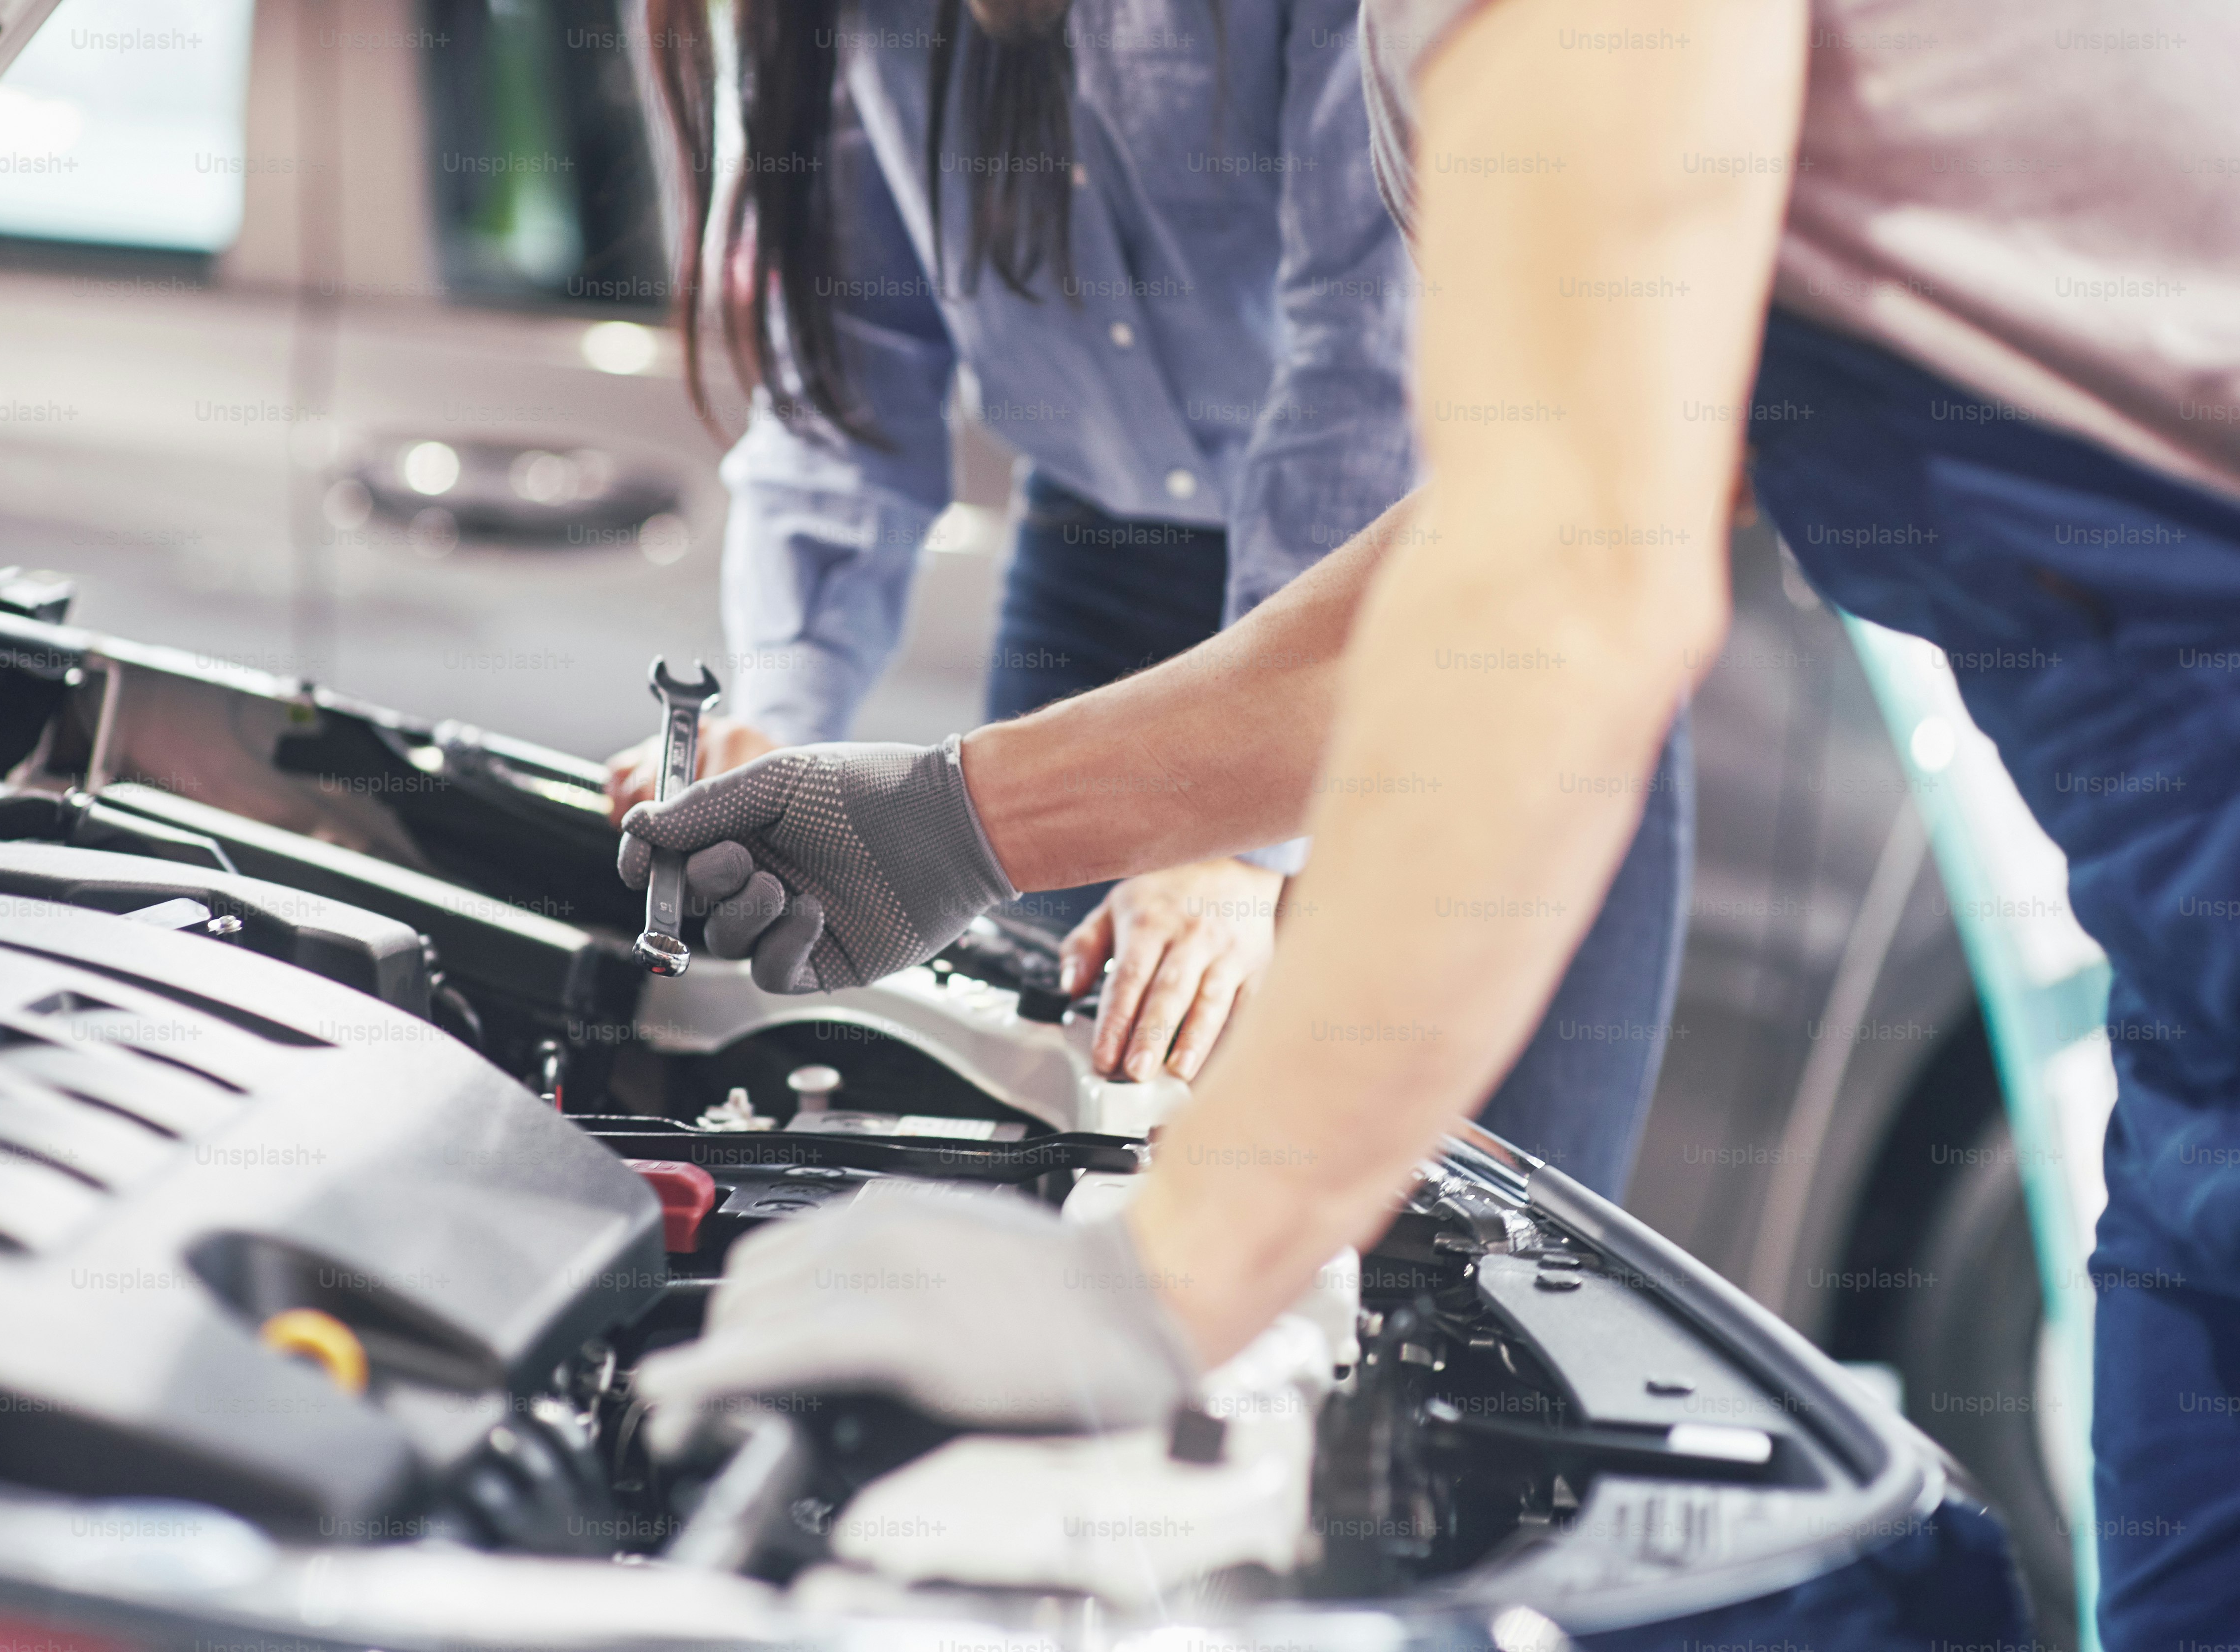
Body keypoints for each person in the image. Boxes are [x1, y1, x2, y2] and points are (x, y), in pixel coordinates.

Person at [625, 0, 2240, 1637]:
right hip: (2194, 1014)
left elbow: (1566, 589)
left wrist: (1157, 1282)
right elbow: (1497, 530)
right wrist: (960, 820)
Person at [604, 0, 1688, 1167]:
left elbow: (1361, 371)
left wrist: (1234, 838)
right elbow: (852, 379)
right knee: (1090, 1153)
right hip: (1102, 574)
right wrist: (780, 714)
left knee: (1493, 1228)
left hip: (1448, 603)